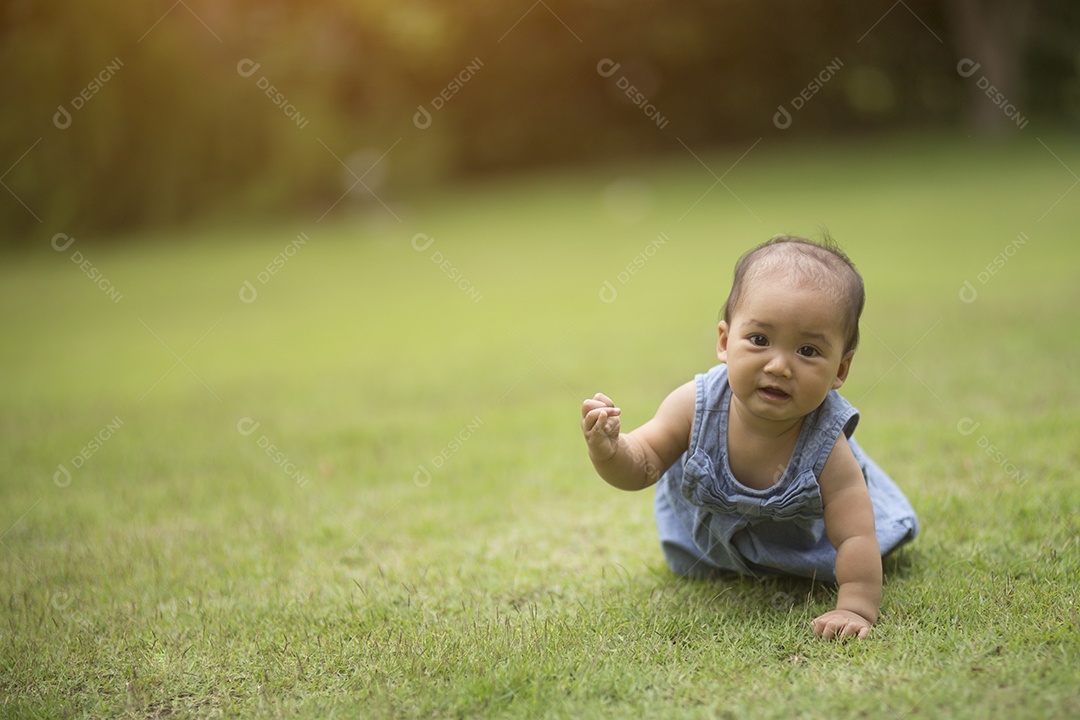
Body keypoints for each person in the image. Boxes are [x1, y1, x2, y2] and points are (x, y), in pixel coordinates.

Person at [580, 234, 918, 640]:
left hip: (803, 552)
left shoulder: (826, 443)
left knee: (865, 540)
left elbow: (855, 533)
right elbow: (643, 465)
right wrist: (609, 450)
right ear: (724, 342)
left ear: (841, 371)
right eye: (759, 340)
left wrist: (855, 606)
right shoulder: (694, 404)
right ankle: (723, 559)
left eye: (808, 351)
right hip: (706, 551)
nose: (779, 366)